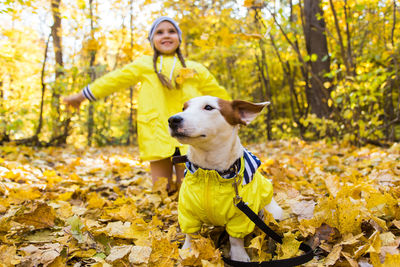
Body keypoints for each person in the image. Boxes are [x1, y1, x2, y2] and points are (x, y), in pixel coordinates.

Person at [63, 16, 230, 192]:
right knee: (160, 190)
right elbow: (114, 80)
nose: (166, 35)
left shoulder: (195, 68)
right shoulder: (144, 65)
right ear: (152, 40)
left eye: (171, 31)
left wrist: (236, 114)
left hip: (189, 135)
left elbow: (218, 94)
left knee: (189, 188)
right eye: (159, 32)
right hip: (156, 132)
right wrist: (82, 96)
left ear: (179, 38)